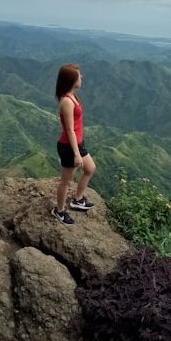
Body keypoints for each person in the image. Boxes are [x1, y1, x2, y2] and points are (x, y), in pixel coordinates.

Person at [52, 64, 96, 224]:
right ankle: (59, 210)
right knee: (66, 181)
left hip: (77, 143)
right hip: (69, 146)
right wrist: (76, 153)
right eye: (79, 75)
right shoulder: (67, 102)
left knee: (90, 168)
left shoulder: (72, 97)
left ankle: (77, 199)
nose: (82, 77)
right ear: (72, 79)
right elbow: (69, 130)